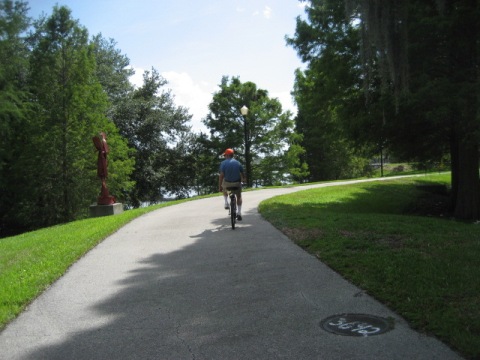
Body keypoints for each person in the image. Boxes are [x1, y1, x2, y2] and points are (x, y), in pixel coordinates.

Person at [219, 148, 246, 220]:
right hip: (237, 183)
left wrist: (220, 187)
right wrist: (243, 179)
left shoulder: (223, 163)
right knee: (239, 196)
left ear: (227, 155)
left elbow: (221, 176)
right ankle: (239, 213)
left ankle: (226, 203)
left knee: (225, 188)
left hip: (227, 184)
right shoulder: (238, 163)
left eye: (225, 155)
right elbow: (243, 174)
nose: (224, 157)